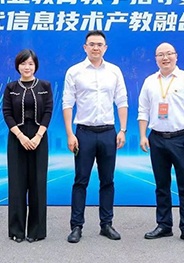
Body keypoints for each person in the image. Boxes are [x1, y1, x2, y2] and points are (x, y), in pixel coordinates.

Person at [62, 30, 128, 243]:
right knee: (80, 180)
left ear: (105, 48)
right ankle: (76, 226)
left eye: (100, 44)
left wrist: (123, 130)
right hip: (84, 133)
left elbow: (122, 100)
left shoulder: (114, 71)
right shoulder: (74, 72)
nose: (96, 48)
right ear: (85, 47)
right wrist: (70, 134)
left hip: (108, 132)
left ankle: (106, 224)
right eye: (92, 44)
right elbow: (67, 103)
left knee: (107, 180)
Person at [137, 42, 184, 246]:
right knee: (161, 185)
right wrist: (143, 135)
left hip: (181, 138)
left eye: (168, 54)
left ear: (176, 56)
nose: (165, 58)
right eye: (160, 55)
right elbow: (143, 110)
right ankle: (164, 225)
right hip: (157, 138)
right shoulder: (150, 81)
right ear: (155, 59)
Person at [2, 49, 53, 243]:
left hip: (39, 138)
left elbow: (48, 111)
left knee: (38, 184)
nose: (27, 67)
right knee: (17, 184)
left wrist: (38, 136)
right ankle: (17, 230)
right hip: (17, 138)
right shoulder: (11, 88)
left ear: (35, 66)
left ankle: (36, 231)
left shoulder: (45, 86)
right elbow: (7, 113)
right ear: (18, 66)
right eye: (23, 64)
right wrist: (21, 136)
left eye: (30, 64)